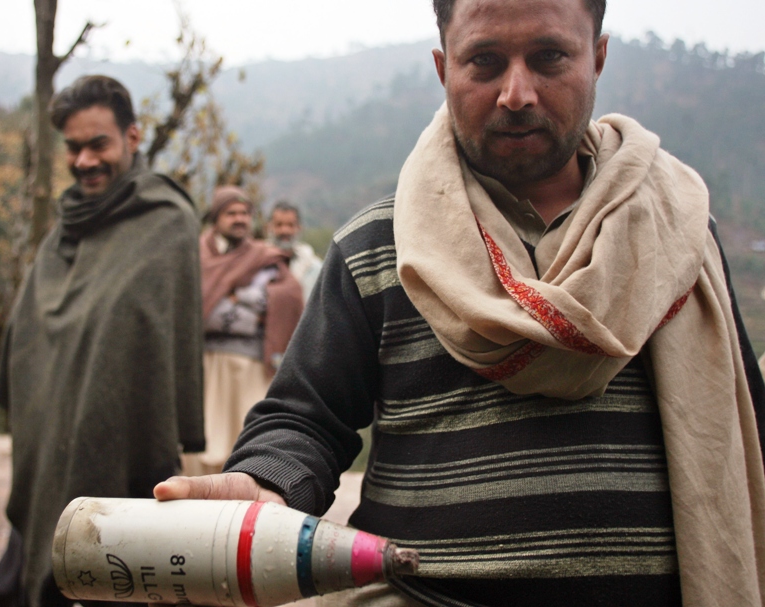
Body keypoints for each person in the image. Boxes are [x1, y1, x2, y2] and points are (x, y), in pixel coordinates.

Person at [155, 1, 765, 606]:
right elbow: (305, 417)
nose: (517, 93)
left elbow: (746, 431)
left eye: (549, 57)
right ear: (444, 68)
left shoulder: (678, 234)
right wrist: (269, 482)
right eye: (485, 62)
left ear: (598, 57)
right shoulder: (378, 247)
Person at [0, 75, 204, 607]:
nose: (84, 160)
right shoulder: (63, 228)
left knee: (99, 576)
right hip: (44, 444)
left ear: (132, 138)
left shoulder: (165, 222)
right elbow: (29, 334)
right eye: (73, 147)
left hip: (117, 442)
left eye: (98, 144)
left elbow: (150, 341)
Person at [194, 186, 303, 474]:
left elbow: (290, 295)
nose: (239, 219)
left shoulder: (263, 256)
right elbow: (192, 304)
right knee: (201, 446)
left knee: (247, 441)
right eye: (231, 213)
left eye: (244, 213)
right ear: (216, 218)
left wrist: (236, 300)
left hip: (251, 364)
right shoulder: (196, 255)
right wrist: (249, 312)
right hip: (204, 363)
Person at [267, 201, 323, 303]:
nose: (285, 231)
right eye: (279, 225)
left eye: (290, 225)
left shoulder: (313, 267)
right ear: (269, 227)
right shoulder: (259, 262)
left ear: (299, 228)